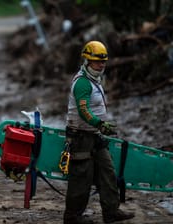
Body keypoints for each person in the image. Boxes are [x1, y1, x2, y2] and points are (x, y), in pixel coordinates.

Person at [63, 40, 135, 224]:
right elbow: (83, 111)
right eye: (97, 61)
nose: (101, 65)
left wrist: (99, 127)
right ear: (87, 61)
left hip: (94, 135)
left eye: (103, 61)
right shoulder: (83, 84)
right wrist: (100, 123)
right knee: (81, 177)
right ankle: (72, 217)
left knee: (108, 171)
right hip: (80, 137)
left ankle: (111, 211)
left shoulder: (95, 80)